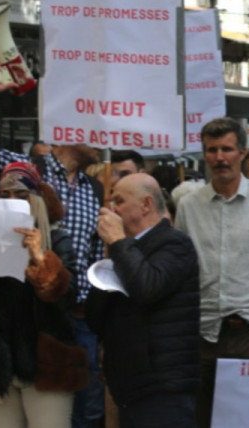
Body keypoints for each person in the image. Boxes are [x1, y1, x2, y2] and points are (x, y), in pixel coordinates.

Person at [0, 64, 105, 428]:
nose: (103, 138)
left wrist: (98, 324)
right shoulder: (22, 167)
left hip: (71, 322)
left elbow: (94, 262)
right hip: (12, 322)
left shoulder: (94, 187)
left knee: (84, 417)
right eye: (95, 129)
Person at [174, 117, 249, 427]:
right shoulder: (188, 206)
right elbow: (181, 274)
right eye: (212, 150)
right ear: (203, 154)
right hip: (203, 335)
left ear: (242, 152)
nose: (219, 157)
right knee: (203, 420)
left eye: (227, 149)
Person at [0, 162, 88, 428]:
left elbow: (67, 298)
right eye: (5, 196)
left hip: (47, 360)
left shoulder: (57, 239)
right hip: (0, 358)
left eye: (21, 196)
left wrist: (39, 257)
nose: (12, 203)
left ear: (37, 201)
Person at [87, 173, 200, 427]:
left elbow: (147, 288)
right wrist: (108, 260)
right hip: (129, 385)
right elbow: (95, 318)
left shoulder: (174, 243)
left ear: (146, 204)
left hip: (163, 388)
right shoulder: (124, 249)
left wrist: (118, 241)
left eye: (119, 201)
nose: (111, 210)